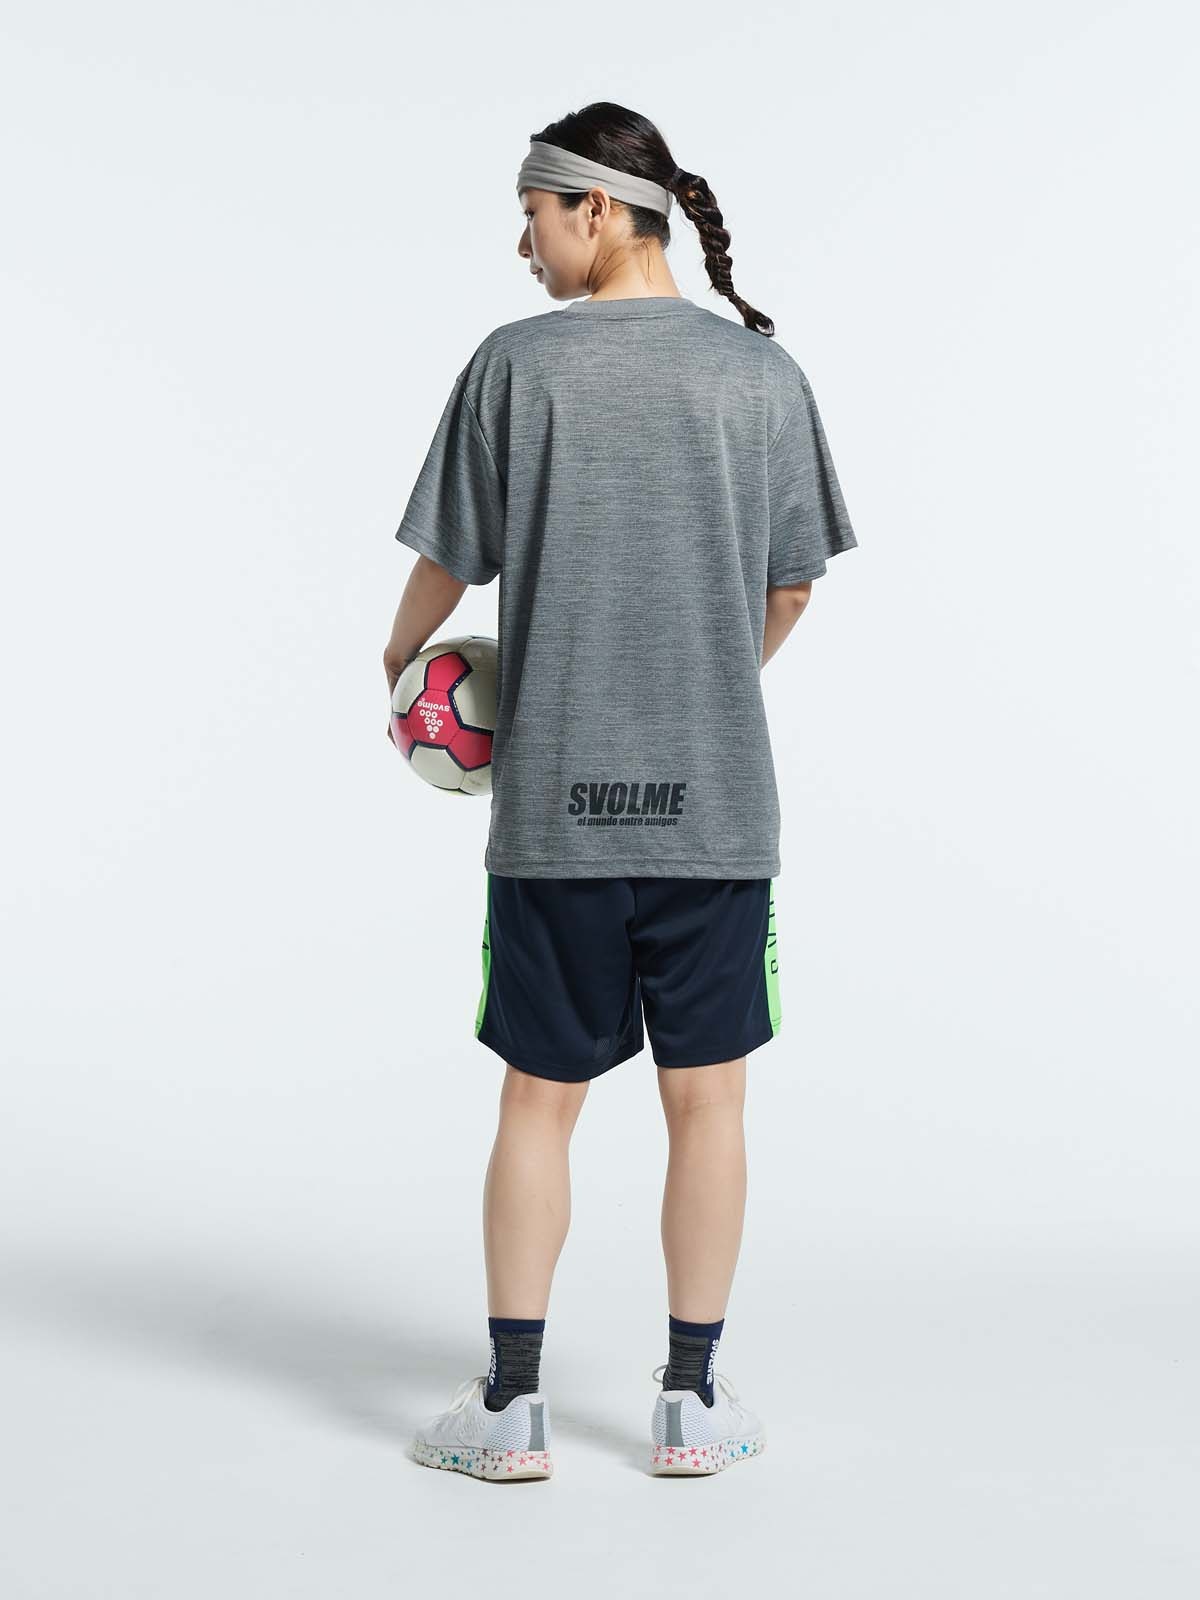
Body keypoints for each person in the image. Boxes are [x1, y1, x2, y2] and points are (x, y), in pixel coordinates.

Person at [383, 101, 858, 1481]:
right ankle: (691, 1406)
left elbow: (447, 560)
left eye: (533, 214)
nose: (522, 243)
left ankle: (512, 1411)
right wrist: (704, 677)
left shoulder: (515, 367)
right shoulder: (762, 378)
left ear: (595, 208)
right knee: (709, 1107)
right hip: (717, 815)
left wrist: (399, 661)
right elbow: (790, 586)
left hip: (554, 819)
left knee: (539, 1103)